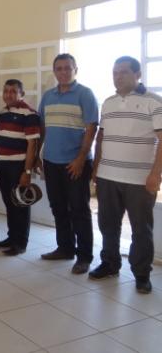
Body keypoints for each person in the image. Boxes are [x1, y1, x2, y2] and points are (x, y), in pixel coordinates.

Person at [90, 56, 162, 294]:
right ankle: (110, 264)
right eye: (114, 72)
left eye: (123, 72)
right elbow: (101, 137)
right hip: (108, 175)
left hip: (139, 179)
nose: (117, 76)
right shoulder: (108, 103)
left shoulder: (154, 102)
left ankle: (141, 274)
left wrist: (155, 174)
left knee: (141, 229)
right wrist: (96, 169)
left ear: (137, 74)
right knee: (108, 225)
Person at [38, 53, 98, 274]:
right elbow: (42, 128)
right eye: (59, 68)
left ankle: (84, 256)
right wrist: (37, 155)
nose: (63, 72)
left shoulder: (85, 94)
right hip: (51, 161)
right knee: (58, 207)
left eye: (67, 68)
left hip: (75, 162)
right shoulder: (48, 96)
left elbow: (92, 128)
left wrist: (81, 159)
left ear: (75, 69)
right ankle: (65, 248)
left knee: (79, 210)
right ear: (54, 71)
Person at [0, 79, 40, 255]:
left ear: (22, 94)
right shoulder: (3, 112)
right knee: (8, 203)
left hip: (18, 165)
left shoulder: (29, 113)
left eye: (13, 91)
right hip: (2, 164)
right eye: (6, 91)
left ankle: (20, 243)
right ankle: (12, 237)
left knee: (20, 204)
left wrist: (27, 171)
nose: (9, 94)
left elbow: (32, 145)